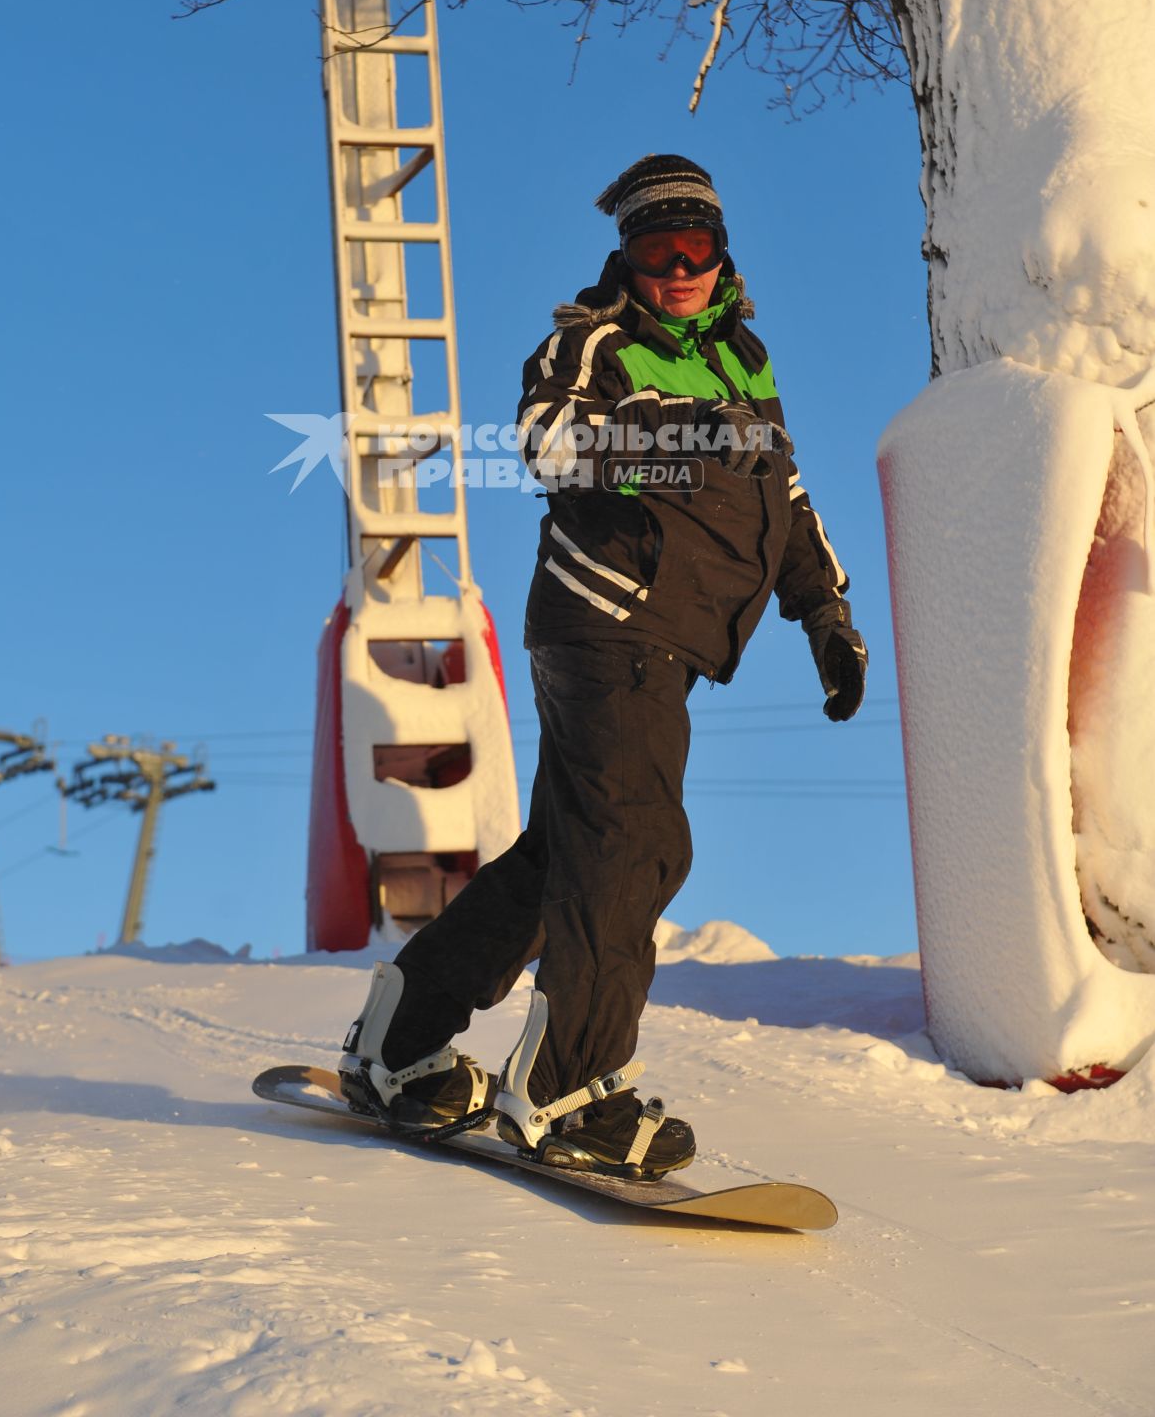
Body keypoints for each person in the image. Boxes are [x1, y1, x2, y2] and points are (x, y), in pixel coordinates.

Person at [338, 154, 867, 1178]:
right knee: (634, 846)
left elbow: (781, 497)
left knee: (567, 857)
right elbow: (544, 446)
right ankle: (567, 1091)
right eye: (652, 247)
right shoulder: (593, 342)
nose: (675, 267)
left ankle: (397, 1044)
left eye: (694, 246)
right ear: (622, 255)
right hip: (605, 622)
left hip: (666, 640)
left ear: (720, 254)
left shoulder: (743, 360)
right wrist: (675, 429)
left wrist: (824, 615)